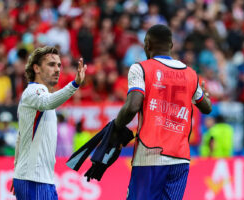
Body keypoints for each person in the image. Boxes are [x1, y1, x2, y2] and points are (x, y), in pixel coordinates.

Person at [111, 25, 212, 199]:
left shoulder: (141, 68)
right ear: (172, 45)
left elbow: (132, 106)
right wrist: (205, 95)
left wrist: (116, 126)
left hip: (150, 155)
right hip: (180, 159)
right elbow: (206, 107)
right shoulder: (191, 74)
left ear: (147, 45)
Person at [11, 46, 86, 199]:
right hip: (33, 179)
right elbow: (48, 102)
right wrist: (75, 84)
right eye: (51, 64)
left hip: (40, 179)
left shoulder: (42, 95)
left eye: (59, 65)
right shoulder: (34, 91)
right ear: (36, 68)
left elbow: (20, 137)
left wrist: (17, 170)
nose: (57, 69)